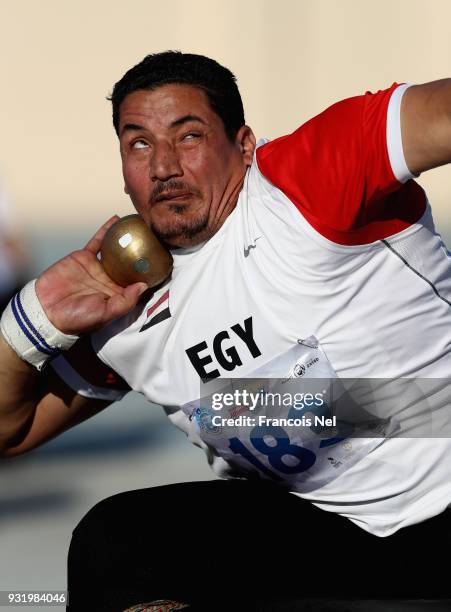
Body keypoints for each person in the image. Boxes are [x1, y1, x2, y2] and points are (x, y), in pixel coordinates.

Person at [1, 51, 451, 611]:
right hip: (322, 532)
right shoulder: (122, 301)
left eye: (187, 137)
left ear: (243, 146)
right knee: (114, 544)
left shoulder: (307, 179)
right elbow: (9, 431)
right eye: (139, 143)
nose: (163, 165)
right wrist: (33, 320)